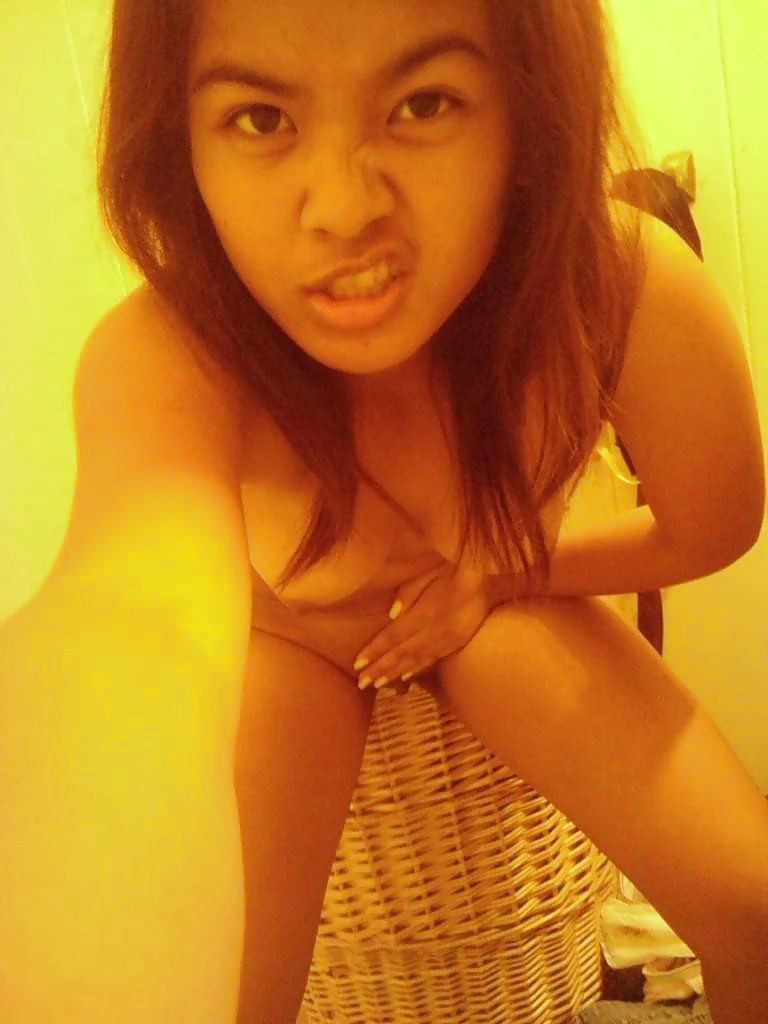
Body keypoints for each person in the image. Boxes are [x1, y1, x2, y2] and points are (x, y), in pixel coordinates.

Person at [1, 1, 766, 1022]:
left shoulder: (613, 287)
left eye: (424, 102)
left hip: (494, 610)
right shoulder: (170, 353)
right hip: (296, 644)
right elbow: (132, 617)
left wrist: (501, 570)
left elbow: (712, 521)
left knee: (757, 906)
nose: (342, 207)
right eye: (262, 119)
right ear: (178, 143)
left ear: (530, 110)